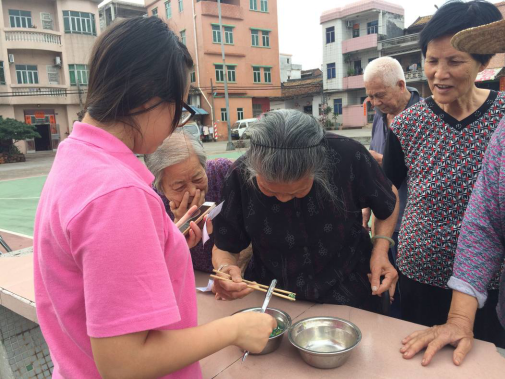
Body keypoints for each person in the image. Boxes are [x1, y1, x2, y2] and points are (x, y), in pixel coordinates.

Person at [33, 17, 275, 379]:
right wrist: (235, 329)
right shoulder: (116, 193)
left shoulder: (75, 159)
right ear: (149, 95)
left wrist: (164, 243)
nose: (176, 125)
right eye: (180, 107)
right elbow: (124, 362)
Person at [382, 0, 505, 347]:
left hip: (488, 283)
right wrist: (381, 246)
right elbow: (388, 189)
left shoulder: (502, 117)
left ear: (482, 62)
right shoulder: (408, 123)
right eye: (432, 61)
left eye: (454, 61)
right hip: (418, 273)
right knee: (415, 355)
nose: (439, 73)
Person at [212, 109, 399, 312]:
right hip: (273, 296)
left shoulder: (347, 155)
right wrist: (224, 270)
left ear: (319, 168)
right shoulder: (239, 174)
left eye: (297, 191)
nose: (283, 198)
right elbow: (225, 245)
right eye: (270, 191)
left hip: (351, 290)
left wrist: (381, 251)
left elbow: (388, 198)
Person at [363, 56, 423, 318]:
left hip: (415, 223)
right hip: (385, 219)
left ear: (401, 85)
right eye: (370, 97)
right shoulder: (380, 115)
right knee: (385, 286)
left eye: (380, 95)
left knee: (411, 294)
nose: (375, 103)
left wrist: (383, 162)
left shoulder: (425, 116)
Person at [145, 130, 233, 273]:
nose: (193, 191)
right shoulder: (150, 201)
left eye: (198, 179)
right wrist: (178, 229)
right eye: (179, 187)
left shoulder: (223, 172)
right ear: (160, 187)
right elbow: (152, 263)